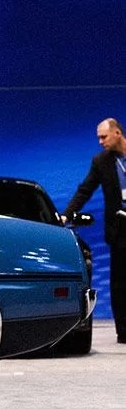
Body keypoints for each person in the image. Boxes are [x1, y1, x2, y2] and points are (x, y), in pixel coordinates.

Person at [64, 117, 126, 344]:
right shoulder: (101, 162)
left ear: (117, 133)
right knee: (119, 283)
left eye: (104, 136)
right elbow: (85, 190)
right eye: (98, 137)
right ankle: (124, 331)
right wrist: (67, 213)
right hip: (119, 228)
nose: (100, 141)